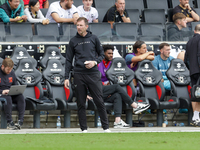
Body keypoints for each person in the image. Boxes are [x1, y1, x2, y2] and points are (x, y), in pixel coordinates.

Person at [64, 17, 110, 133]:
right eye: (77, 25)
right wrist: (66, 77)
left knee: (99, 100)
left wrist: (94, 62)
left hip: (93, 73)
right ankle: (84, 129)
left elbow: (101, 55)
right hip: (79, 74)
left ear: (86, 26)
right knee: (81, 102)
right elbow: (69, 60)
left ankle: (106, 127)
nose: (78, 27)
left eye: (80, 25)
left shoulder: (94, 38)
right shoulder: (73, 41)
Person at [0, 58, 25, 130]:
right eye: (8, 69)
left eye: (10, 69)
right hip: (1, 94)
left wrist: (16, 90)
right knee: (7, 98)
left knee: (20, 97)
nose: (9, 71)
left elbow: (15, 85)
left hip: (10, 92)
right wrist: (2, 91)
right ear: (2, 66)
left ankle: (20, 121)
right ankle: (9, 122)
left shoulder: (12, 73)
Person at [184, 24, 200, 127]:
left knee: (196, 94)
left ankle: (196, 117)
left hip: (193, 71)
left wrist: (192, 69)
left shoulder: (189, 41)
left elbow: (186, 60)